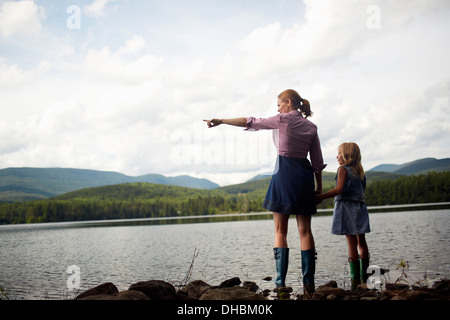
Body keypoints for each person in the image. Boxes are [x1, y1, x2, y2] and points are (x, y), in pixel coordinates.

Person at [204, 89, 326, 295]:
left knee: (280, 231)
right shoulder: (311, 126)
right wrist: (319, 187)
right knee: (305, 231)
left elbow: (249, 121)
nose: (277, 109)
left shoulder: (282, 120)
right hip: (305, 177)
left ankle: (280, 283)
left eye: (279, 105)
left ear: (288, 103)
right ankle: (309, 285)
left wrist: (222, 120)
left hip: (284, 174)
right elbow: (317, 161)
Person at [316, 142, 371, 290]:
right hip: (360, 208)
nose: (337, 156)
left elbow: (339, 189)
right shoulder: (360, 172)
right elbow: (362, 192)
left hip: (347, 208)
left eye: (339, 153)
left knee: (351, 242)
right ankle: (365, 276)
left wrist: (321, 196)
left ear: (347, 155)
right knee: (362, 241)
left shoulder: (342, 170)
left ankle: (355, 280)